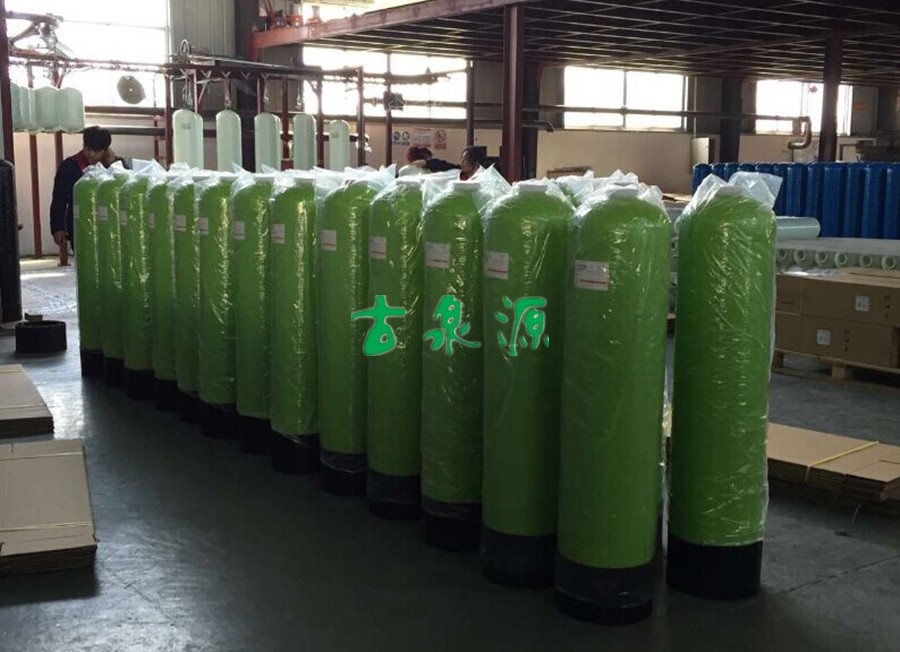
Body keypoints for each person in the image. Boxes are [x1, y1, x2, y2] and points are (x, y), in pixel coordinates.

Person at [49, 126, 123, 257]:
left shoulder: (116, 165)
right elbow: (59, 198)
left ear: (106, 150)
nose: (91, 154)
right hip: (79, 226)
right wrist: (58, 228)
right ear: (83, 145)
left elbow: (124, 189)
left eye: (97, 151)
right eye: (88, 149)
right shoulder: (70, 166)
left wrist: (113, 165)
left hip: (111, 227)